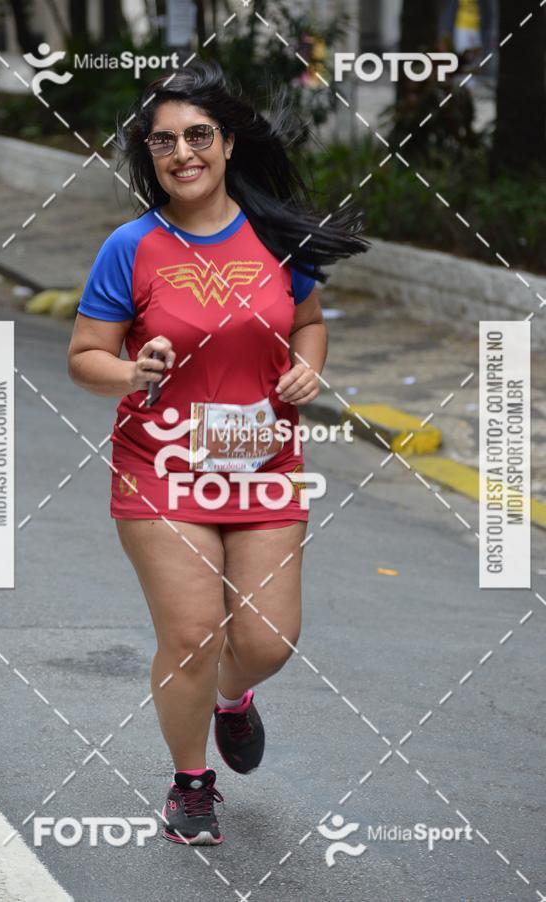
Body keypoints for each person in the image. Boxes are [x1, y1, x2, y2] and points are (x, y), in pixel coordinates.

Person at [67, 60, 368, 846]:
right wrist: (131, 371)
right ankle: (191, 784)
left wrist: (309, 366)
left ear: (228, 143)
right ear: (151, 155)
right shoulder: (131, 247)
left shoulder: (277, 239)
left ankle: (229, 696)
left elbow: (309, 322)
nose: (182, 153)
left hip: (264, 465)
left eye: (198, 136)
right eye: (163, 141)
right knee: (192, 633)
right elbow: (85, 356)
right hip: (161, 466)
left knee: (268, 639)